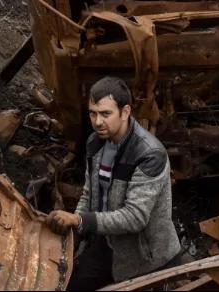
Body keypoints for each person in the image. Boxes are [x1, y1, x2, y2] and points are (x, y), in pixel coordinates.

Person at [47, 76, 183, 289]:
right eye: (93, 113)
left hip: (145, 257)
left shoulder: (150, 154)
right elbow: (88, 193)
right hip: (108, 242)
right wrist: (76, 228)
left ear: (125, 112)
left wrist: (80, 220)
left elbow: (135, 218)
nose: (97, 121)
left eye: (105, 114)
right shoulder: (95, 143)